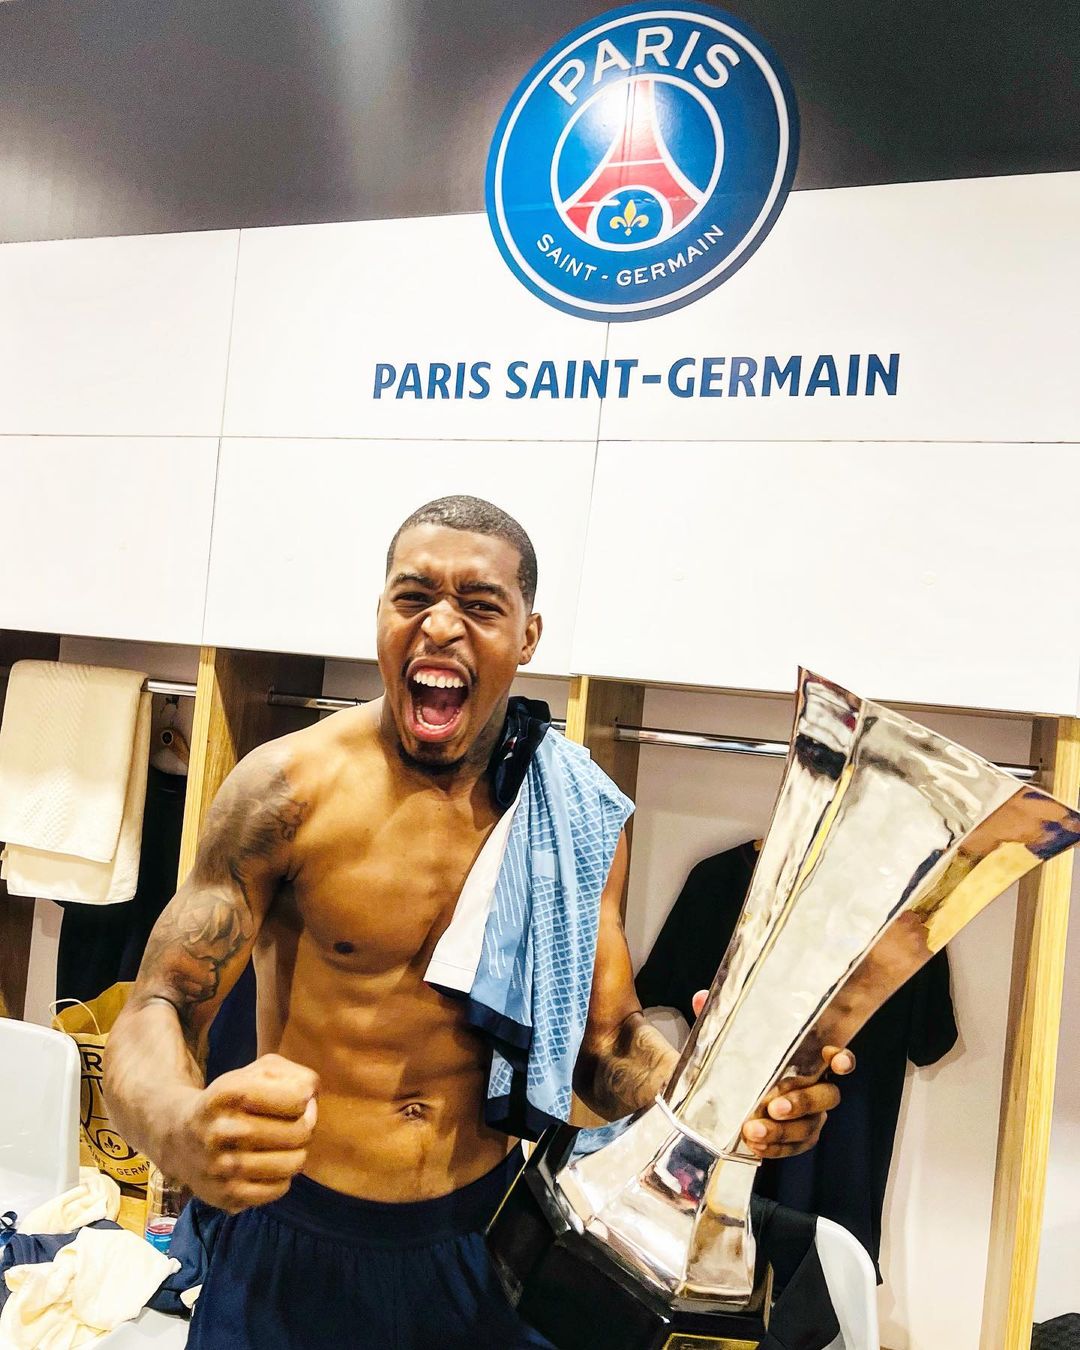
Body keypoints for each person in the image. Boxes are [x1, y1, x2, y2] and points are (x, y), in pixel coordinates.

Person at [104, 496, 853, 1349]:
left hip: (484, 1240)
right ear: (379, 616)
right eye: (413, 596)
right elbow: (160, 1002)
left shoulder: (573, 810)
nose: (440, 625)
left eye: (480, 604)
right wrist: (178, 1126)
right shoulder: (284, 792)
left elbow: (605, 1047)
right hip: (293, 1236)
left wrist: (726, 1091)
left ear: (528, 637)